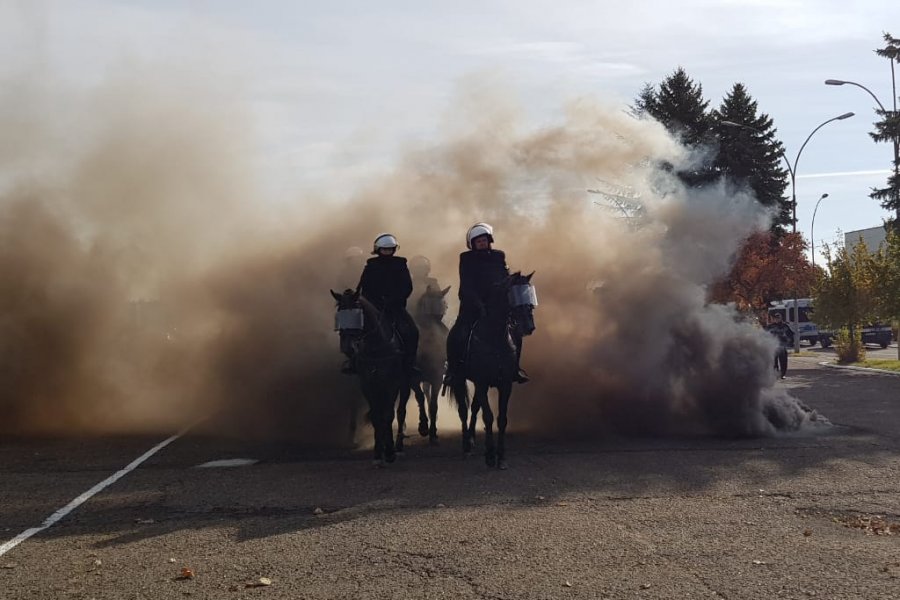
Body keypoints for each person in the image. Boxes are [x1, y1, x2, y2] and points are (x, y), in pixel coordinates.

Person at [446, 222, 528, 384]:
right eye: (478, 241)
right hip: (473, 306)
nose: (482, 243)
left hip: (497, 306)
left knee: (516, 333)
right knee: (457, 334)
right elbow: (467, 284)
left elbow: (504, 275)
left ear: (489, 240)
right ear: (473, 244)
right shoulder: (466, 258)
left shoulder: (499, 256)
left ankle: (515, 368)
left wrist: (511, 281)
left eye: (484, 240)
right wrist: (479, 304)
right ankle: (453, 370)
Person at [356, 233, 420, 378]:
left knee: (413, 332)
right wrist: (370, 301)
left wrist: (393, 300)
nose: (387, 252)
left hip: (396, 309)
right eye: (384, 250)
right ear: (378, 250)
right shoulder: (370, 266)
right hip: (373, 309)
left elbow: (407, 287)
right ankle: (354, 362)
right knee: (356, 331)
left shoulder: (401, 265)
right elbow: (363, 288)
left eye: (390, 249)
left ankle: (410, 365)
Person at [765, 312, 794, 379]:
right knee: (774, 362)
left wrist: (790, 342)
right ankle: (776, 374)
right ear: (774, 319)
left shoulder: (785, 326)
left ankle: (782, 374)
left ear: (781, 318)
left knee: (783, 361)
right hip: (773, 346)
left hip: (782, 346)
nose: (777, 319)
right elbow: (765, 334)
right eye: (776, 318)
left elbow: (791, 335)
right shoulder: (770, 326)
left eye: (778, 318)